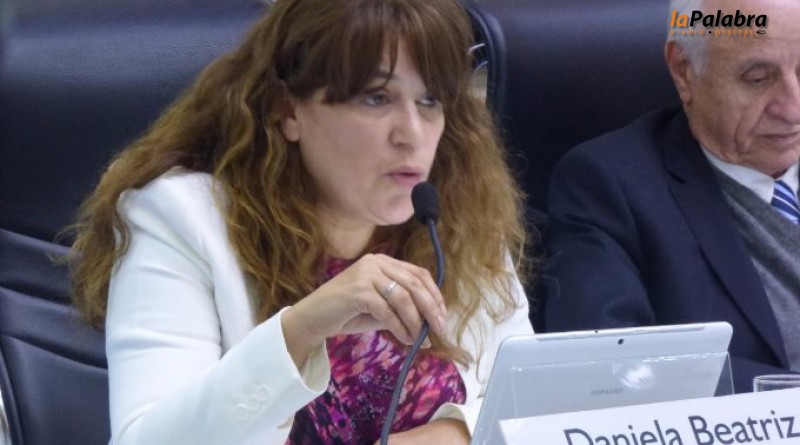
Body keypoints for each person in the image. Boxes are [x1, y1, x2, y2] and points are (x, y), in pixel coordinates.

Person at [68, 0, 533, 443]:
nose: (412, 134)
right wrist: (301, 329)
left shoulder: (456, 215)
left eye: (429, 100)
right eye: (376, 98)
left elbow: (533, 400)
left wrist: (458, 432)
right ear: (288, 111)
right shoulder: (182, 219)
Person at [541, 0, 800, 393]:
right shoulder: (608, 186)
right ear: (684, 70)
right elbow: (610, 364)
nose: (792, 109)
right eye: (758, 79)